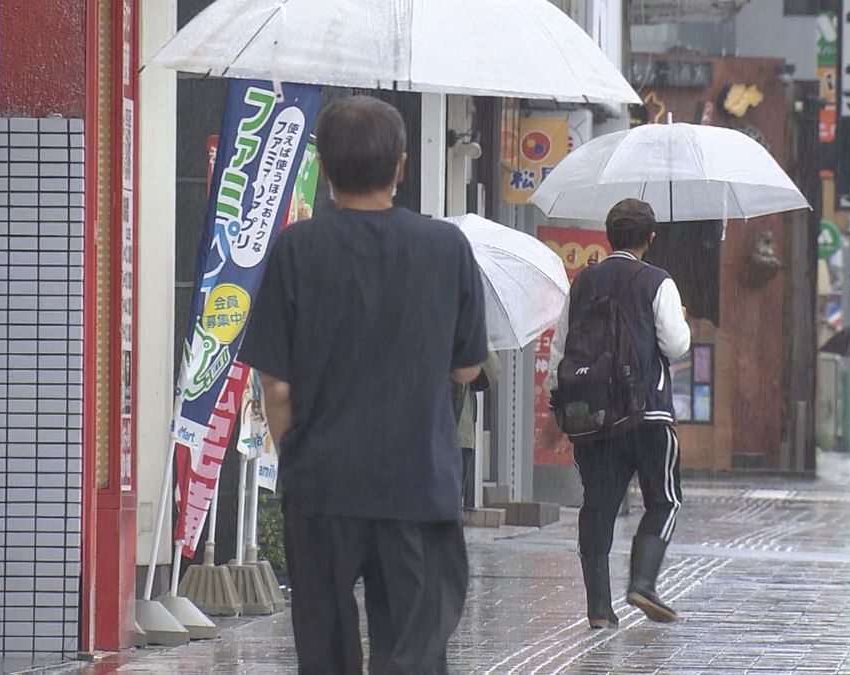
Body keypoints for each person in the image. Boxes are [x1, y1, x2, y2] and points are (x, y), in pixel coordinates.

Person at [239, 95, 487, 674]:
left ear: (322, 166)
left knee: (324, 651)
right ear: (401, 166)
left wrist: (297, 457)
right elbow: (467, 368)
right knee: (413, 651)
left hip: (323, 483)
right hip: (417, 484)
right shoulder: (446, 247)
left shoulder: (297, 249)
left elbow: (275, 387)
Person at [548, 198, 691, 629]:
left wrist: (559, 409)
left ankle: (599, 609)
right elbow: (676, 345)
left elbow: (561, 349)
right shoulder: (657, 281)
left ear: (609, 235)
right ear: (651, 237)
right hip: (647, 414)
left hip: (594, 419)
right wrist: (680, 320)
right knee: (664, 500)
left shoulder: (583, 283)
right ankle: (642, 583)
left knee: (598, 507)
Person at [455, 352, 500, 509]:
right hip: (458, 432)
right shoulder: (460, 327)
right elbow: (491, 371)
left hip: (409, 431)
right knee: (448, 509)